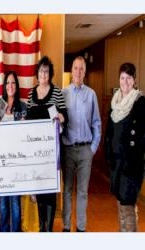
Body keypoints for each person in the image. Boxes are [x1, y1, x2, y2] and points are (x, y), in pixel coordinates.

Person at [27, 56, 68, 232]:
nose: (43, 74)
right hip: (35, 151)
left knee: (49, 190)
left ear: (50, 73)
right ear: (37, 73)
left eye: (46, 71)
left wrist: (61, 117)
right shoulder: (31, 93)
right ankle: (41, 226)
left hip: (52, 152)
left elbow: (65, 115)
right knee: (38, 188)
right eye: (41, 70)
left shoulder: (57, 92)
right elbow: (28, 119)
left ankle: (48, 230)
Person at [62, 56, 101, 232]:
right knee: (68, 190)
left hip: (85, 150)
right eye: (75, 68)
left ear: (85, 72)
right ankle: (65, 226)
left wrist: (92, 149)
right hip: (68, 150)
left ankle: (80, 228)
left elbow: (97, 123)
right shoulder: (63, 94)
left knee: (83, 192)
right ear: (71, 71)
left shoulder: (91, 94)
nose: (78, 72)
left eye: (81, 69)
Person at [104, 63, 145, 232]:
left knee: (128, 207)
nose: (125, 81)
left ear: (134, 81)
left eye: (129, 78)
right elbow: (109, 132)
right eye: (122, 78)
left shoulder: (140, 102)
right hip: (117, 164)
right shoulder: (115, 103)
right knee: (120, 205)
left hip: (131, 165)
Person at [0, 71, 27, 232]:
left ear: (16, 86)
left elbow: (28, 136)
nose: (10, 86)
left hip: (17, 161)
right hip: (1, 161)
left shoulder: (23, 106)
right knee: (4, 203)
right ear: (5, 86)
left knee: (16, 204)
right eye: (8, 83)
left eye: (13, 83)